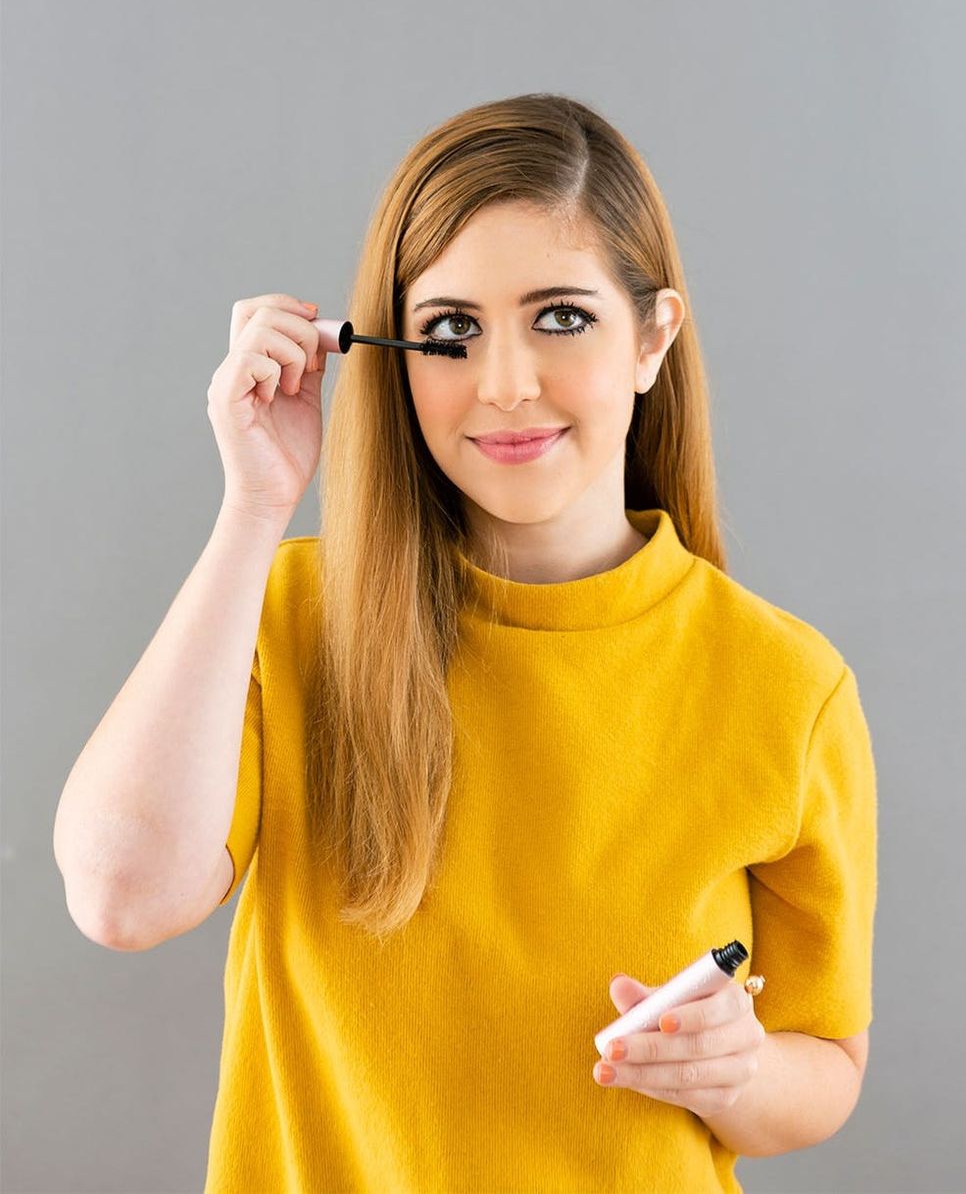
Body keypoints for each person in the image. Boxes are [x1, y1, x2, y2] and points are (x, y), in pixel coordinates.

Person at [54, 93, 877, 1194]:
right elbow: (120, 895)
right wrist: (254, 507)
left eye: (560, 318)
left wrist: (733, 1074)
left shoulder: (784, 684)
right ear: (391, 356)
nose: (502, 385)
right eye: (449, 331)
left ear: (652, 338)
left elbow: (825, 1068)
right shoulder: (287, 618)